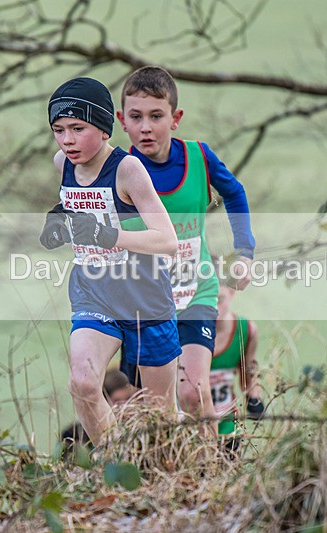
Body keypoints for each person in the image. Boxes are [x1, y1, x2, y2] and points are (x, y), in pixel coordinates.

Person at [115, 66, 256, 436]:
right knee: (149, 407)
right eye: (136, 117)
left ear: (175, 119)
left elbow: (235, 193)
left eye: (156, 116)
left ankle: (214, 474)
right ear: (121, 121)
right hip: (142, 303)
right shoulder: (117, 170)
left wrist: (245, 252)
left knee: (193, 393)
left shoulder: (199, 157)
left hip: (196, 293)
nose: (146, 127)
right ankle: (167, 478)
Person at [40, 77, 180, 446]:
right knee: (83, 384)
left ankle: (168, 480)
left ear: (103, 129)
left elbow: (168, 240)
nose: (67, 140)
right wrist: (58, 221)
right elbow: (79, 210)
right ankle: (115, 465)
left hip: (144, 297)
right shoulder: (63, 164)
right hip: (94, 292)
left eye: (77, 129)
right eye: (58, 130)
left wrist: (107, 235)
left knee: (160, 417)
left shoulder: (127, 170)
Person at [210, 282, 264, 439]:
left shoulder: (246, 330)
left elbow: (248, 375)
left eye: (220, 300)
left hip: (227, 425)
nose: (215, 309)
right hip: (192, 424)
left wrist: (254, 399)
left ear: (232, 291)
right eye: (209, 300)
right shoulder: (181, 329)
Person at [59, 369, 137, 453]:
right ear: (104, 401)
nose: (124, 407)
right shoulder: (75, 435)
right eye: (117, 401)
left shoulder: (136, 433)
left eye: (128, 399)